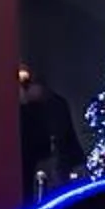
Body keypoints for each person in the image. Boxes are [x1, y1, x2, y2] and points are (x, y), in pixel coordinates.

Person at [20, 68, 81, 199]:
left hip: (51, 160)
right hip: (40, 161)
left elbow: (66, 135)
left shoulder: (54, 105)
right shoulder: (30, 109)